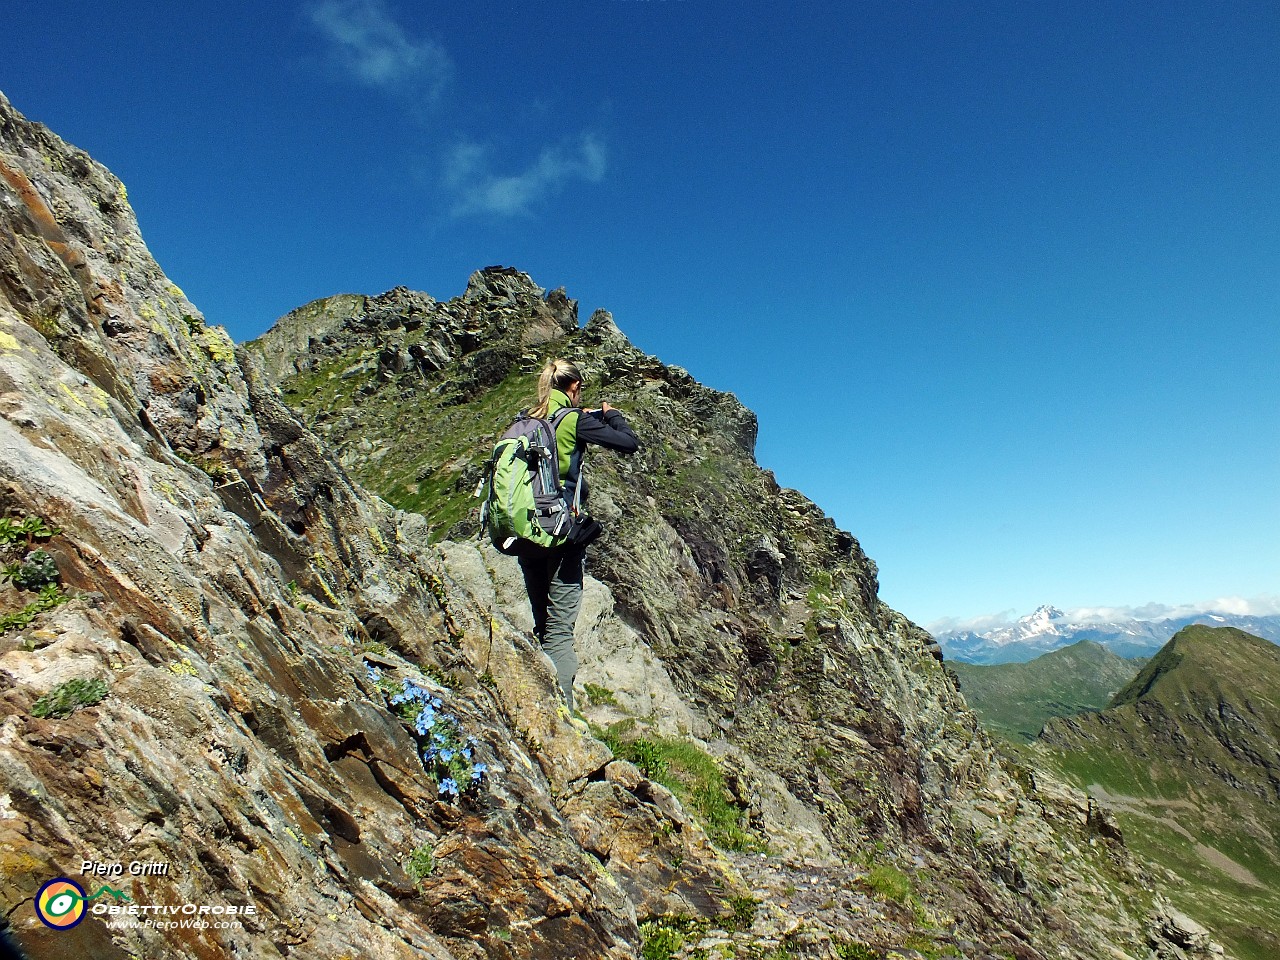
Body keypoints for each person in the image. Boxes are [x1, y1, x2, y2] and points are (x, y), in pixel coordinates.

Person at [519, 359, 638, 712]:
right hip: (560, 533)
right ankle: (562, 718)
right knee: (559, 632)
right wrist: (611, 414)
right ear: (573, 387)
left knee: (542, 622)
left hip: (527, 532)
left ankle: (535, 705)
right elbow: (628, 443)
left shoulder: (527, 421)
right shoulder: (572, 419)